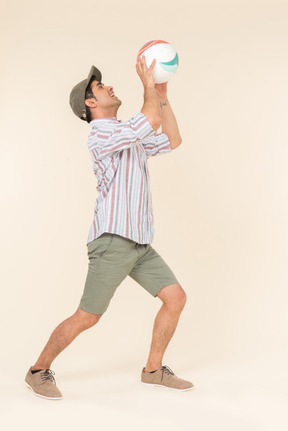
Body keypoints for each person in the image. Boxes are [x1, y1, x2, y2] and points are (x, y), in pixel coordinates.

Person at [25, 57, 193, 400]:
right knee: (88, 316)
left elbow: (172, 139)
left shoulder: (127, 135)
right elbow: (150, 121)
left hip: (139, 243)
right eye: (101, 87)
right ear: (91, 103)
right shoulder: (103, 134)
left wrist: (161, 94)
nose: (109, 87)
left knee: (175, 298)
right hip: (113, 242)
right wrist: (148, 86)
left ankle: (153, 370)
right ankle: (37, 371)